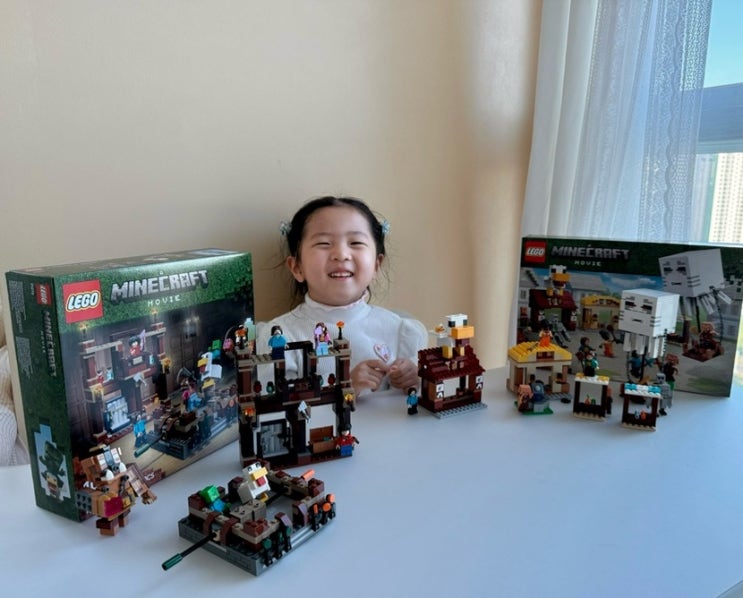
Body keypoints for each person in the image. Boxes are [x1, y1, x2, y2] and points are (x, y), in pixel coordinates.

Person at [256, 196, 428, 395]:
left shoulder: (399, 330)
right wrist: (343, 388)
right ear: (297, 267)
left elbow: (418, 402)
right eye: (324, 243)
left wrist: (415, 378)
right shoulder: (281, 337)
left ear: (376, 265)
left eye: (356, 242)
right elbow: (273, 403)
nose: (341, 254)